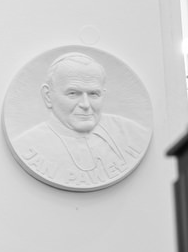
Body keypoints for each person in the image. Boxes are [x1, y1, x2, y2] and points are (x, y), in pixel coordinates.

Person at [12, 51, 151, 190]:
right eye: (73, 93)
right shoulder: (28, 144)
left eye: (93, 94)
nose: (85, 104)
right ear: (48, 96)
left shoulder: (131, 132)